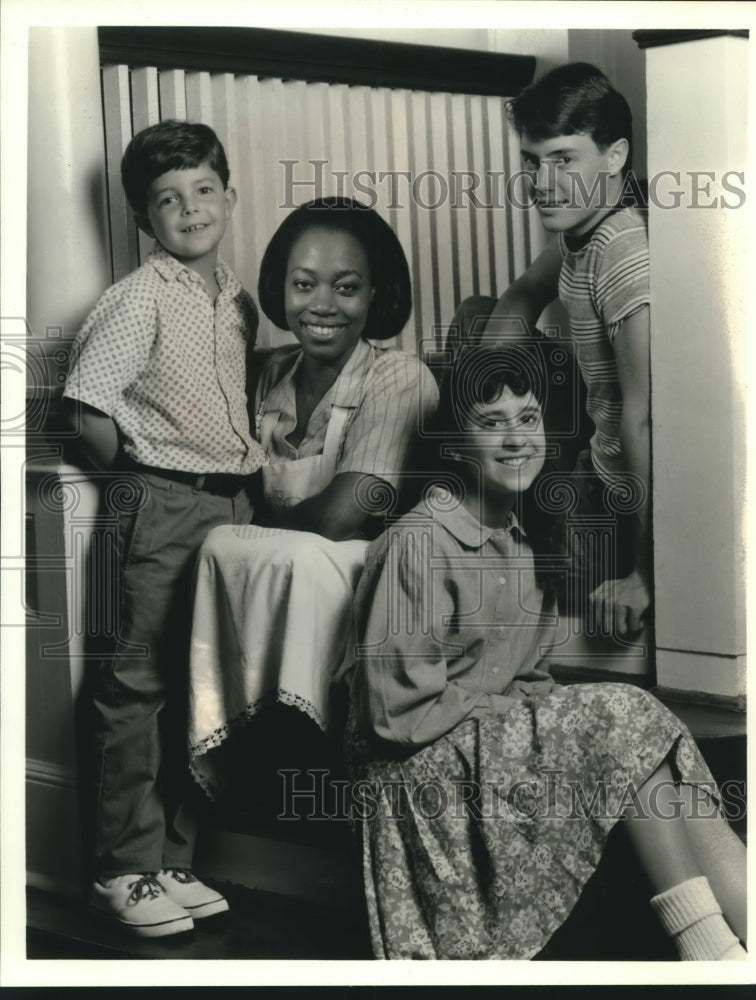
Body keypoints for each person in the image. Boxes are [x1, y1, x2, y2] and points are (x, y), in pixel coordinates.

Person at [342, 345, 746, 961]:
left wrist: (544, 721)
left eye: (527, 419)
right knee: (621, 715)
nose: (515, 439)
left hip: (480, 754)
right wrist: (526, 720)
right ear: (455, 443)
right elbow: (394, 713)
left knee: (640, 733)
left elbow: (529, 681)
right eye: (491, 422)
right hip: (416, 778)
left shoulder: (529, 545)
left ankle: (753, 932)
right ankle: (710, 950)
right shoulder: (420, 542)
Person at [61, 120, 267, 937]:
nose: (189, 210)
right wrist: (143, 480)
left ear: (229, 196)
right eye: (167, 200)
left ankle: (172, 858)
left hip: (229, 505)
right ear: (145, 220)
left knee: (197, 688)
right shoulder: (138, 296)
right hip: (156, 501)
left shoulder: (237, 301)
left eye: (203, 191)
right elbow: (86, 410)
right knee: (134, 687)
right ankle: (122, 868)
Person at [187, 197, 439, 796]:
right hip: (274, 570)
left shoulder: (398, 376)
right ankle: (244, 756)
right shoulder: (265, 373)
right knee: (216, 544)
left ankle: (308, 754)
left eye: (346, 287)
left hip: (366, 580)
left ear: (376, 295)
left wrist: (252, 524)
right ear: (281, 288)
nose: (322, 306)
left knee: (268, 550)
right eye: (304, 285)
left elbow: (348, 514)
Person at [449, 62, 651, 636]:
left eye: (564, 160)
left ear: (614, 156)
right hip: (587, 452)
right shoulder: (581, 232)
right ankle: (479, 511)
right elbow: (520, 298)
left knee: (531, 627)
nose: (542, 182)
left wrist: (647, 572)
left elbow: (645, 421)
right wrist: (483, 386)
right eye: (533, 163)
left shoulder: (623, 253)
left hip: (620, 492)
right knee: (476, 314)